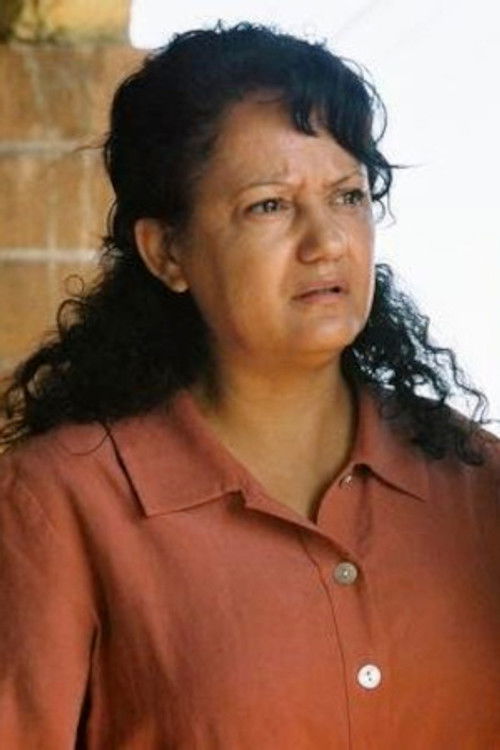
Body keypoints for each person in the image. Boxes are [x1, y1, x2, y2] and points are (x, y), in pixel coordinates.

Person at [0, 21, 499, 749]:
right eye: (270, 204)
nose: (327, 242)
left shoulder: (478, 485)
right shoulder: (61, 504)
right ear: (167, 252)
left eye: (348, 196)